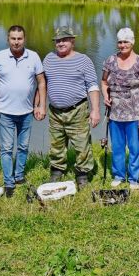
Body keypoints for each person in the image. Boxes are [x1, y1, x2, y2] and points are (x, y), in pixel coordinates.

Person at [0, 25, 46, 197]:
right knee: (6, 148)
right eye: (13, 38)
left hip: (26, 112)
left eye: (19, 38)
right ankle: (8, 182)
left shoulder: (33, 56)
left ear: (24, 39)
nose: (16, 42)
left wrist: (41, 106)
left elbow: (41, 82)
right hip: (5, 113)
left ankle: (19, 176)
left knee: (23, 146)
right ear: (8, 39)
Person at [43, 26, 100, 187]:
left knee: (82, 144)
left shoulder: (83, 60)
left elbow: (93, 86)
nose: (60, 43)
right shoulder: (48, 58)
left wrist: (95, 110)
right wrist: (39, 105)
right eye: (57, 40)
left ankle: (82, 174)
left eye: (64, 40)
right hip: (55, 111)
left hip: (78, 110)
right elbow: (42, 84)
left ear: (72, 41)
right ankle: (57, 171)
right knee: (56, 144)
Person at [100, 27, 139, 189]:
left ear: (132, 42)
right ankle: (119, 175)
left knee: (135, 147)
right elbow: (103, 82)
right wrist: (105, 95)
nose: (122, 45)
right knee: (117, 147)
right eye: (120, 42)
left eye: (126, 42)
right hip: (115, 113)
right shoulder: (110, 61)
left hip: (135, 113)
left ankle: (134, 178)